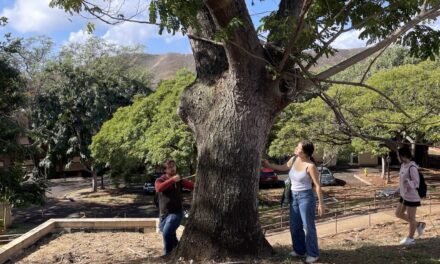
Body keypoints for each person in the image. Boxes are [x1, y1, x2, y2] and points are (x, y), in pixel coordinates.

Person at [262, 140, 324, 263]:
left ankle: (313, 253)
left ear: (305, 152)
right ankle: (299, 250)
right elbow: (283, 167)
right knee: (295, 227)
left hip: (306, 197)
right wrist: (269, 165)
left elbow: (317, 185)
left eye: (298, 147)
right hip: (293, 196)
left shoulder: (310, 166)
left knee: (308, 227)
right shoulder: (294, 159)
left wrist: (321, 203)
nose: (296, 148)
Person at [155, 159, 194, 256]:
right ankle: (178, 251)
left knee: (167, 233)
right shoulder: (160, 180)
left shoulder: (179, 180)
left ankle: (167, 255)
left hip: (176, 213)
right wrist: (172, 180)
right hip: (163, 214)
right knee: (170, 234)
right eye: (169, 167)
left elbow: (191, 186)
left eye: (174, 166)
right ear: (165, 170)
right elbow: (159, 188)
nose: (172, 168)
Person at [394, 147, 426, 246]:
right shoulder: (403, 165)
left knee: (411, 218)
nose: (398, 158)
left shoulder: (412, 167)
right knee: (398, 213)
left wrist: (407, 182)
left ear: (403, 156)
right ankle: (418, 225)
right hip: (404, 195)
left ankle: (411, 239)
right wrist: (398, 190)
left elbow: (416, 183)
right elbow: (402, 181)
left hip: (412, 197)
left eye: (398, 156)